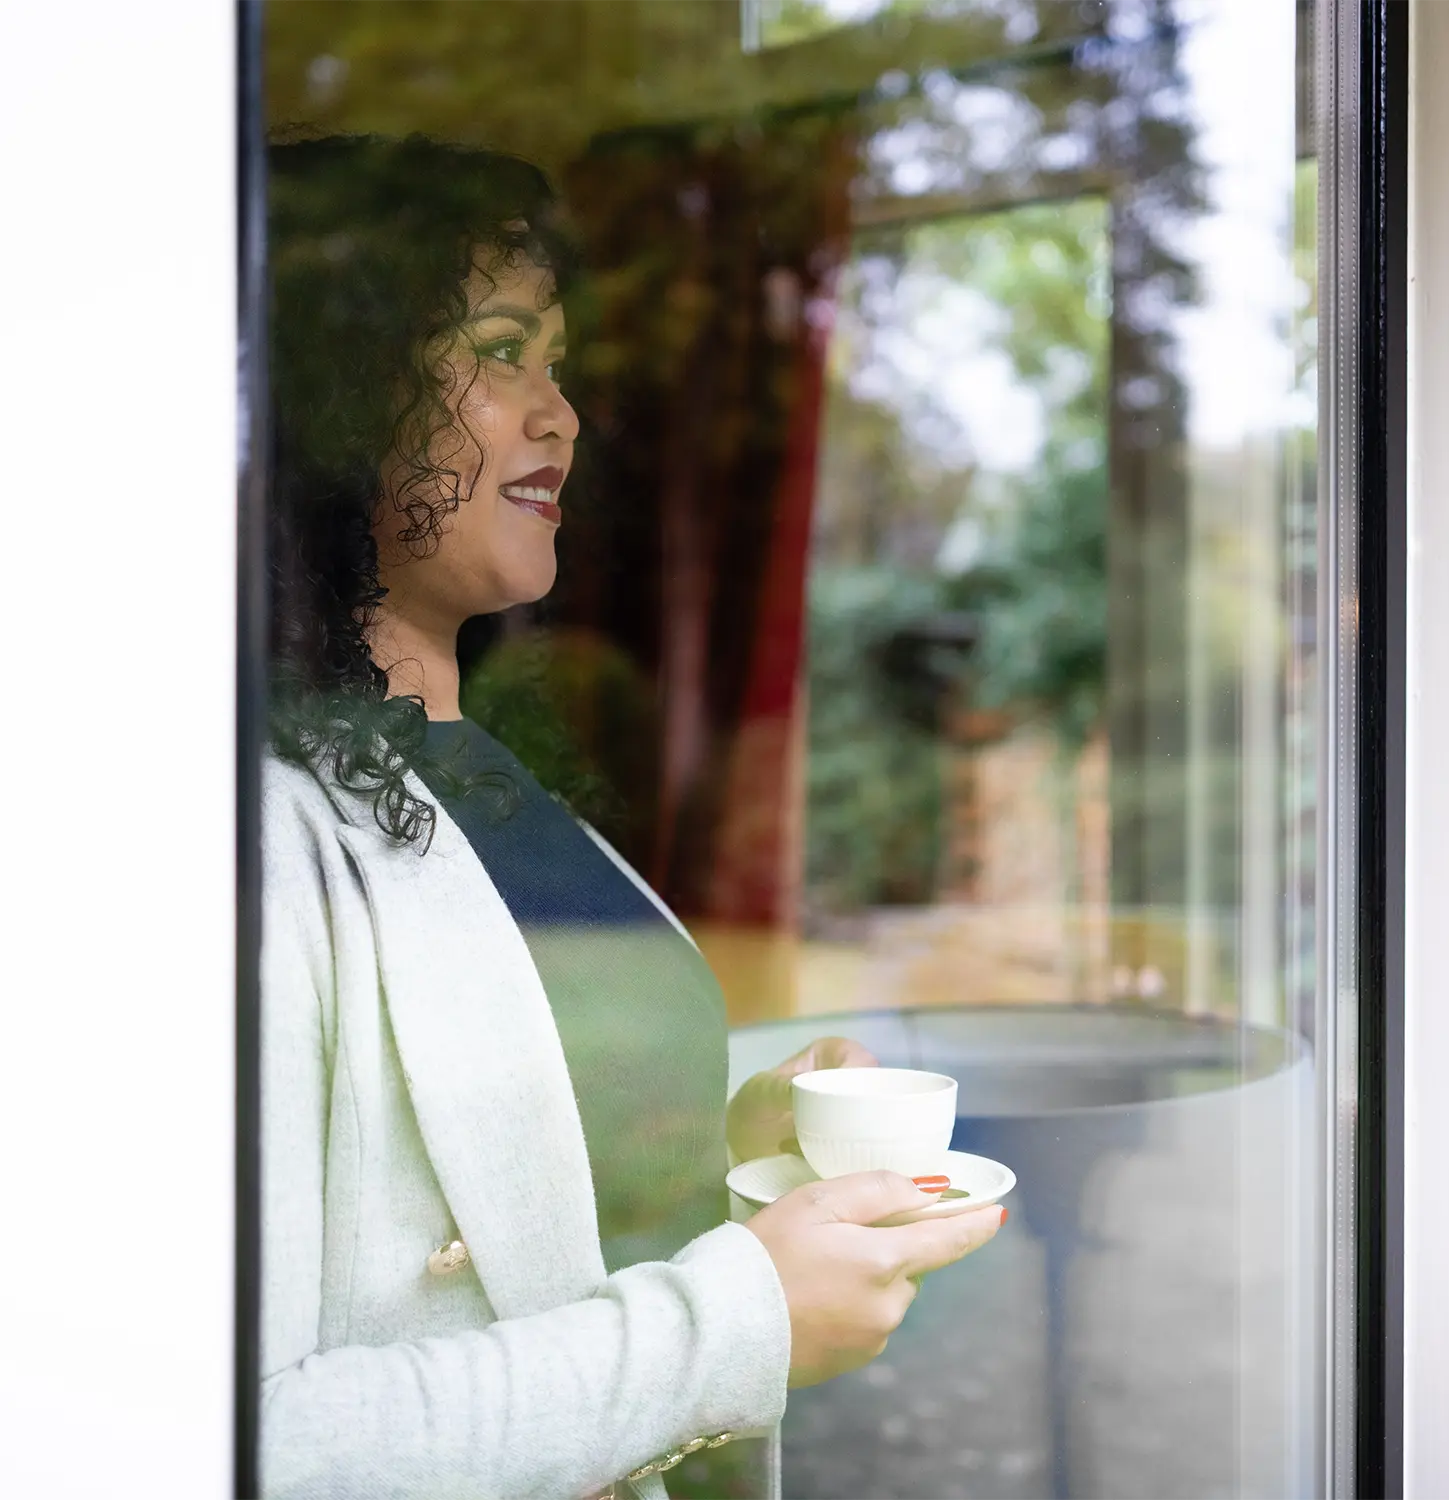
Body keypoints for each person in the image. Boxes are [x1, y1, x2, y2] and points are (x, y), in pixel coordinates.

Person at [259, 134, 1005, 1500]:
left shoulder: (479, 767)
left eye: (559, 361)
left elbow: (527, 1181)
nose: (562, 415)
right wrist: (740, 1322)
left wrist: (726, 1145)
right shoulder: (242, 836)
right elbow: (234, 1446)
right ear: (331, 389)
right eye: (499, 349)